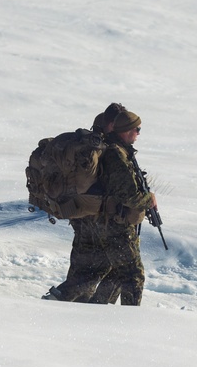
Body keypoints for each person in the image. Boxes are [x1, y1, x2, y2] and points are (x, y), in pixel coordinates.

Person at [43, 102, 125, 302]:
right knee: (106, 267)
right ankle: (65, 300)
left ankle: (75, 308)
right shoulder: (107, 146)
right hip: (97, 216)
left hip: (79, 213)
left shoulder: (89, 139)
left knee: (82, 264)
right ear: (113, 123)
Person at [89, 109, 157, 306]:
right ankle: (129, 321)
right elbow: (128, 195)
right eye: (137, 129)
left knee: (118, 273)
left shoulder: (120, 150)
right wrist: (148, 201)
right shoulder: (116, 154)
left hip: (114, 223)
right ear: (127, 130)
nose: (138, 133)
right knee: (133, 275)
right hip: (117, 225)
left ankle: (97, 310)